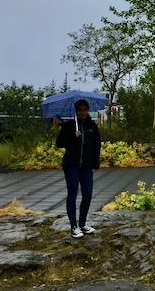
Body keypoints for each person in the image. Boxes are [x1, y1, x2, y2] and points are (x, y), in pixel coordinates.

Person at [56, 99, 101, 239]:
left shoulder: (92, 126)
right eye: (80, 110)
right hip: (71, 165)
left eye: (84, 110)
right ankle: (73, 226)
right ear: (76, 111)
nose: (82, 112)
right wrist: (72, 136)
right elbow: (59, 143)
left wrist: (95, 163)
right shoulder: (69, 126)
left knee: (87, 194)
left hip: (86, 166)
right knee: (73, 194)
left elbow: (96, 146)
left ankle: (82, 223)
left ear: (88, 110)